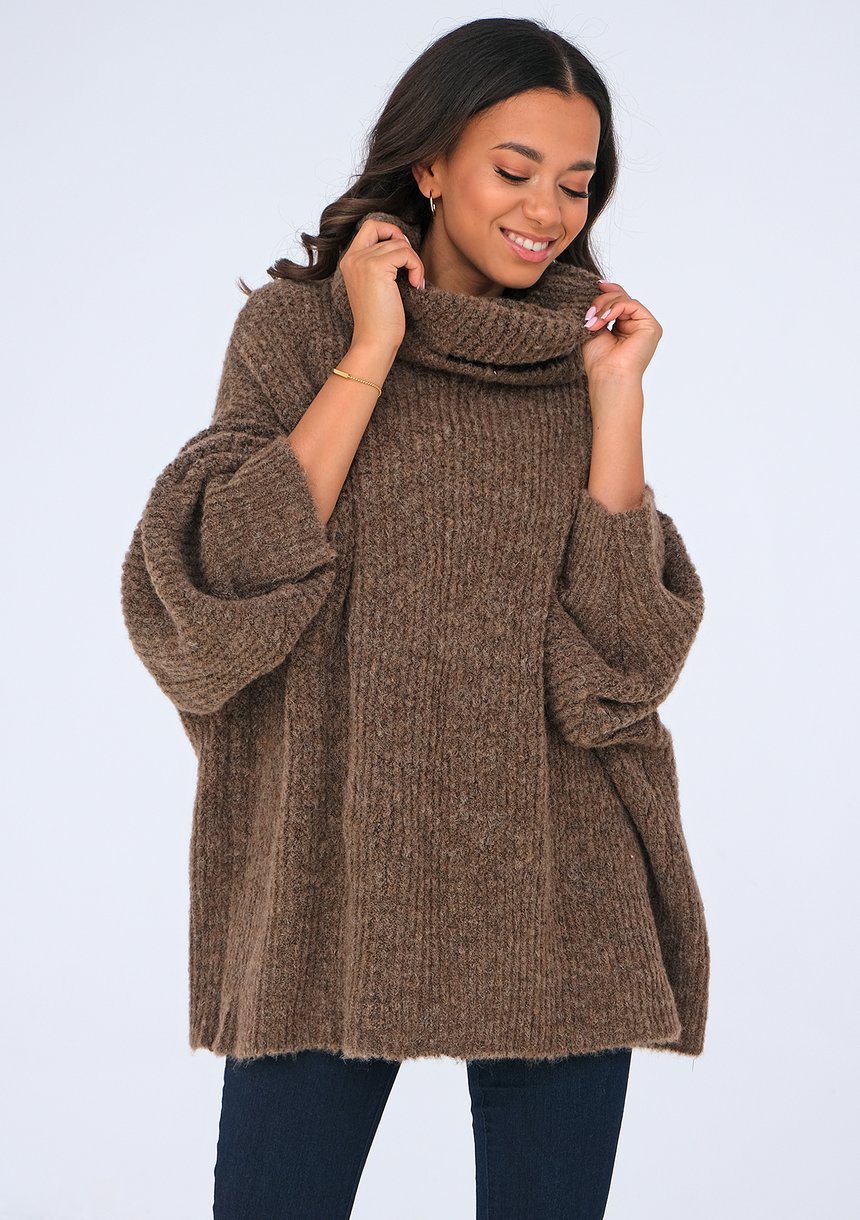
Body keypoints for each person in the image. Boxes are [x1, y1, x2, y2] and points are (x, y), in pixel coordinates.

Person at [120, 16, 708, 1219]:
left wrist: (614, 405)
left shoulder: (588, 352)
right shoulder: (299, 330)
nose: (546, 209)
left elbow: (619, 664)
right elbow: (213, 592)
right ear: (429, 165)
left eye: (575, 182)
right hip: (327, 873)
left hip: (559, 884)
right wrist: (372, 346)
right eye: (513, 169)